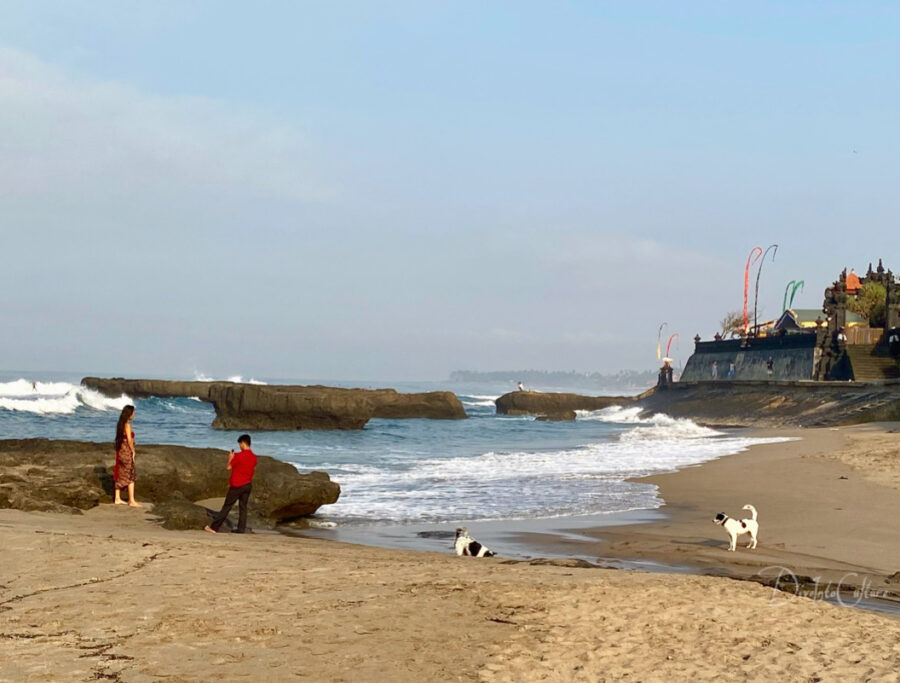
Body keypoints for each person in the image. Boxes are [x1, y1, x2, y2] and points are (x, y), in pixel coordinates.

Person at [205, 434, 258, 534]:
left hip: (237, 485)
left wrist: (230, 458)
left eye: (240, 444)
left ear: (243, 443)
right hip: (247, 484)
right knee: (243, 507)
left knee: (227, 506)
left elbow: (229, 467)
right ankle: (241, 529)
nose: (239, 446)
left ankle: (214, 527)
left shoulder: (239, 456)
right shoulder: (254, 457)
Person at [113, 405, 141, 507]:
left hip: (120, 451)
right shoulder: (127, 425)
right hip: (126, 451)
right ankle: (131, 500)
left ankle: (117, 498)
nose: (134, 414)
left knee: (120, 472)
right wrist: (133, 451)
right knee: (130, 474)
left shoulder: (120, 424)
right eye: (133, 412)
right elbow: (129, 439)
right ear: (129, 414)